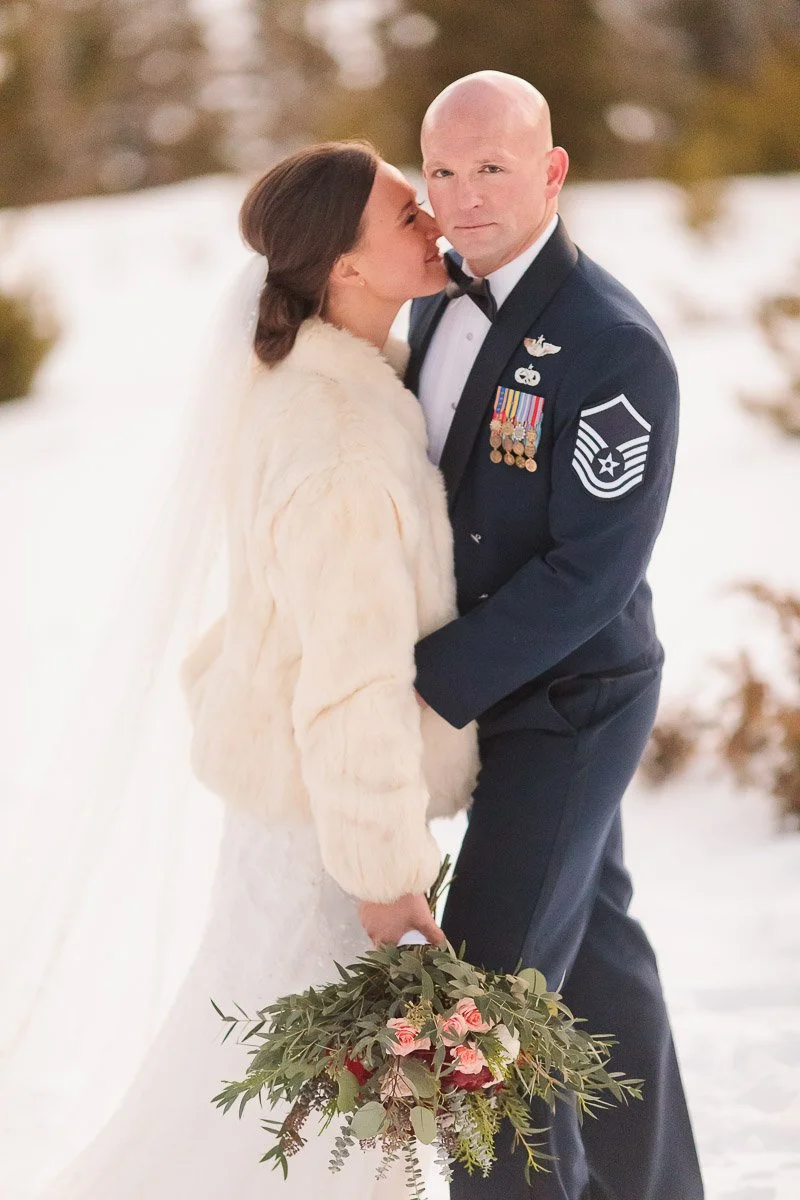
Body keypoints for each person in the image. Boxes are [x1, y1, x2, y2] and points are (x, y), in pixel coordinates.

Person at [37, 141, 479, 1199]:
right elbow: (348, 679)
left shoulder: (336, 388)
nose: (435, 223)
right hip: (328, 829)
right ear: (346, 272)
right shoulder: (338, 438)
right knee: (307, 1115)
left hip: (296, 809)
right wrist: (384, 877)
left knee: (284, 1090)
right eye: (406, 215)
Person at [407, 72, 705, 1200]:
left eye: (491, 168)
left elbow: (589, 572)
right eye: (442, 169)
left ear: (550, 171)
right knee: (598, 957)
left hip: (570, 699)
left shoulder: (610, 343)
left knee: (485, 988)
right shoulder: (433, 301)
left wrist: (423, 688)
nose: (465, 196)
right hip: (487, 687)